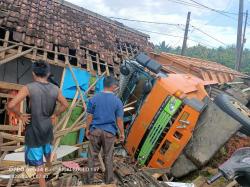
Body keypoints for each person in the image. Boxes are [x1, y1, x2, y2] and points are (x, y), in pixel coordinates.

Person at [8, 60, 68, 187]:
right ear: (48, 73)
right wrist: (55, 114)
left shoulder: (28, 88)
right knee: (47, 148)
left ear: (33, 73)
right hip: (47, 127)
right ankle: (50, 166)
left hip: (34, 130)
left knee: (38, 164)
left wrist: (20, 116)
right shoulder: (55, 89)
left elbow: (11, 105)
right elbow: (65, 105)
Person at [86, 76, 124, 184]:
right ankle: (109, 181)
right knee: (108, 157)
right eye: (116, 87)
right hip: (109, 133)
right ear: (113, 87)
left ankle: (89, 181)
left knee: (91, 157)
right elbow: (119, 120)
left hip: (95, 131)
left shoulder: (94, 98)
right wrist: (122, 134)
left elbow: (89, 116)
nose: (117, 88)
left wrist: (87, 129)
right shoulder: (118, 102)